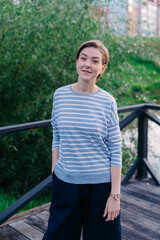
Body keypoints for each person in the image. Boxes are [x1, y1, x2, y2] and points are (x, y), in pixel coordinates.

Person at [43, 40, 122, 240]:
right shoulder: (60, 95)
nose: (87, 64)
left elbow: (115, 149)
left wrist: (114, 196)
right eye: (83, 58)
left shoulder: (107, 101)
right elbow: (57, 134)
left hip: (100, 188)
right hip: (65, 184)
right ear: (77, 61)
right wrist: (55, 166)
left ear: (102, 68)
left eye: (95, 61)